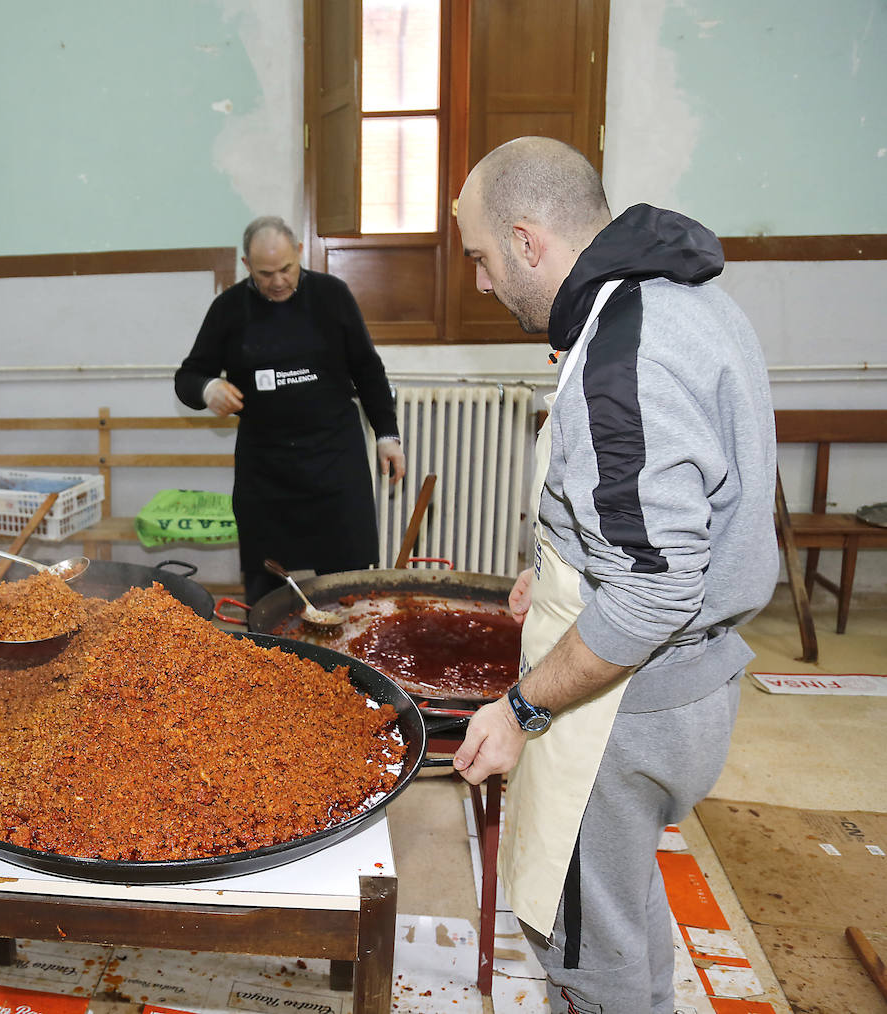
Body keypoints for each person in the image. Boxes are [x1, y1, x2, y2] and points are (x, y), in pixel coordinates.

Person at [449, 136, 779, 1012]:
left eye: (481, 258)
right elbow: (660, 512)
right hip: (694, 676)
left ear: (526, 240)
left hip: (629, 703)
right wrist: (556, 570)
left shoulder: (625, 351)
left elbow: (654, 591)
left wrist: (522, 708)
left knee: (589, 952)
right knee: (617, 911)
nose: (480, 283)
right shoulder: (683, 297)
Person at [174, 216, 406, 605]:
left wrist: (387, 435)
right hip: (267, 475)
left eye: (286, 269)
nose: (279, 281)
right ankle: (266, 659)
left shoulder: (333, 296)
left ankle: (349, 661)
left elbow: (368, 370)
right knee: (266, 593)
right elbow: (188, 377)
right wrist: (208, 387)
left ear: (299, 253)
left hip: (335, 465)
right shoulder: (229, 309)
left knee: (347, 589)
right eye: (266, 274)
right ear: (247, 266)